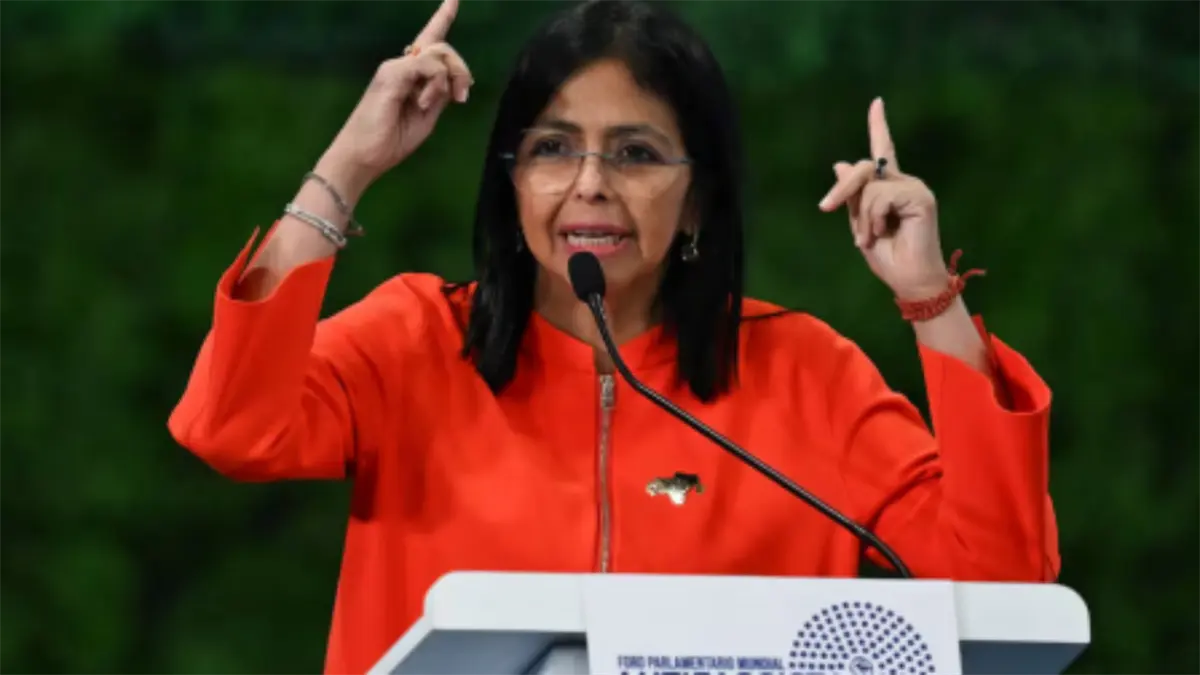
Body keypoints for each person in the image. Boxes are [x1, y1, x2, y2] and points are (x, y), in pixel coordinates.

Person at [168, 0, 1061, 673]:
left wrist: (929, 297)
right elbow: (230, 426)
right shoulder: (412, 340)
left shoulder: (807, 375)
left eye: (635, 153)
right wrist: (348, 165)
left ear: (698, 197)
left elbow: (1002, 578)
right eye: (553, 149)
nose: (589, 184)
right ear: (512, 183)